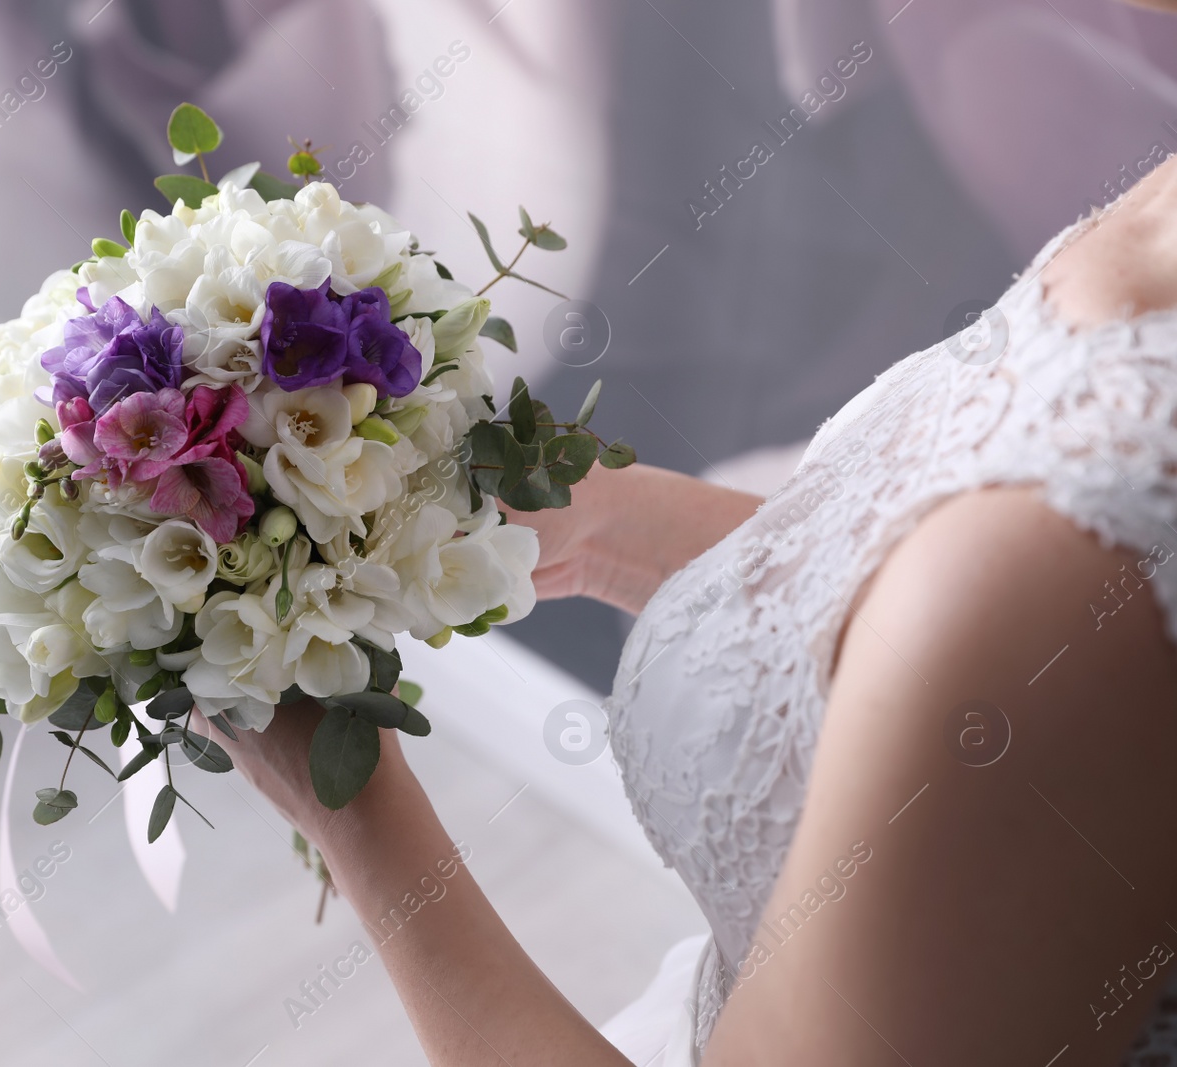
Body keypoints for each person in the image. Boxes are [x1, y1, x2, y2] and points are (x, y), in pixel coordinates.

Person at [193, 44, 1177, 1067]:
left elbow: (1011, 630)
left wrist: (352, 815)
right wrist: (632, 527)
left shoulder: (1066, 557)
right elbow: (945, 635)